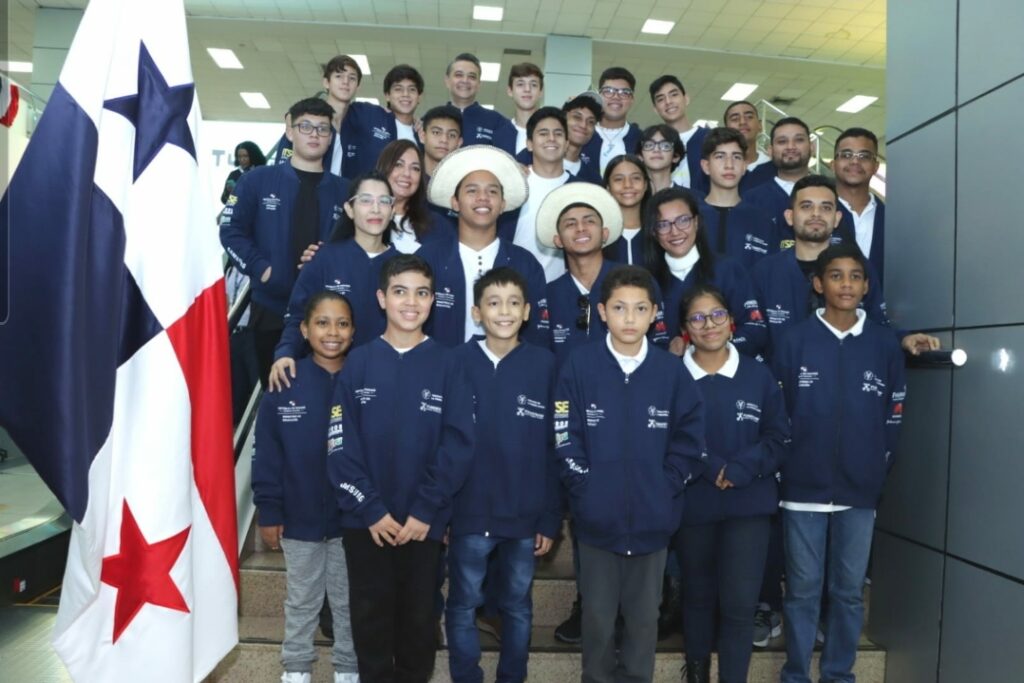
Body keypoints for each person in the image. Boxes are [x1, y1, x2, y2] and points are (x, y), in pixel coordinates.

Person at [554, 264, 706, 683]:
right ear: (603, 311)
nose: (629, 318)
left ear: (654, 314)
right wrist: (584, 487)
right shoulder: (579, 365)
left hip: (653, 521)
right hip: (596, 521)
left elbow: (690, 438)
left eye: (640, 309)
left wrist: (665, 485)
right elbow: (564, 433)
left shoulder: (670, 371)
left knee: (643, 620)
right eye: (619, 308)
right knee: (598, 619)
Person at [329, 254, 476, 682]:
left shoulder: (449, 364)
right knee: (370, 621)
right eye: (400, 292)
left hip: (422, 524)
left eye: (421, 293)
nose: (411, 302)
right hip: (366, 522)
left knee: (418, 623)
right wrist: (370, 509)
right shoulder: (357, 363)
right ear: (381, 298)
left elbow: (458, 444)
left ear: (433, 301)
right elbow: (339, 445)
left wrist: (426, 510)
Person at [772, 243, 907, 683]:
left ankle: (838, 674)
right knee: (802, 591)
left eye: (855, 276)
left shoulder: (884, 344)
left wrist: (876, 467)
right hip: (802, 490)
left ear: (867, 286)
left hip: (859, 490)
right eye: (835, 275)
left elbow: (893, 414)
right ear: (818, 284)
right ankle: (795, 674)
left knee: (848, 593)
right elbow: (778, 413)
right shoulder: (793, 340)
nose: (846, 284)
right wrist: (786, 467)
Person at [446, 267, 561, 683]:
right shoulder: (455, 362)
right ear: (476, 312)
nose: (504, 311)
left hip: (524, 515)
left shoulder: (545, 365)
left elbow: (555, 446)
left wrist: (550, 516)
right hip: (468, 512)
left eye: (514, 303)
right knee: (463, 603)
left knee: (517, 606)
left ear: (527, 311)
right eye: (493, 303)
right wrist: (442, 511)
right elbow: (442, 443)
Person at [673, 285, 789, 683]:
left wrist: (741, 467)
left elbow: (779, 437)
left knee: (739, 607)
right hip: (694, 503)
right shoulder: (673, 377)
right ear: (686, 328)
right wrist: (711, 465)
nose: (709, 324)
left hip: (748, 505)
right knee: (698, 598)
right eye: (697, 318)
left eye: (717, 315)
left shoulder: (758, 375)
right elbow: (667, 435)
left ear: (732, 321)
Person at [252, 290, 359, 683]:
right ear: (304, 329)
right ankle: (296, 668)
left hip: (353, 521)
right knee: (301, 600)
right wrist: (269, 510)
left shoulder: (363, 379)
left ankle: (348, 669)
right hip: (299, 519)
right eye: (322, 323)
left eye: (342, 324)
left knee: (348, 602)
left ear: (353, 331)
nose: (332, 332)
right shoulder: (284, 384)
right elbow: (268, 455)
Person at [220, 97, 349, 387]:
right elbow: (230, 231)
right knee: (276, 396)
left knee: (326, 395)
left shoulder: (344, 190)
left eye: (323, 128)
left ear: (331, 137)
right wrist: (261, 268)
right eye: (306, 126)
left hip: (327, 312)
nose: (314, 134)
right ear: (290, 131)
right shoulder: (257, 180)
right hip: (270, 308)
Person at [750, 175, 937, 361]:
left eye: (826, 207)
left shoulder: (860, 268)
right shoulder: (764, 272)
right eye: (806, 206)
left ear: (837, 218)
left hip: (846, 375)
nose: (816, 214)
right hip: (779, 378)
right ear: (789, 216)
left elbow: (878, 325)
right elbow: (753, 334)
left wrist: (904, 339)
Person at [269, 172, 399, 391]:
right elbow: (298, 315)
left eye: (384, 201)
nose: (376, 209)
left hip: (387, 380)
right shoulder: (323, 259)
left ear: (392, 210)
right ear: (349, 209)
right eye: (366, 200)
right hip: (329, 380)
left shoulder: (403, 267)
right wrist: (285, 352)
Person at [419, 145, 549, 347]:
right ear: (455, 202)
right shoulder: (428, 258)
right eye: (472, 190)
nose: (483, 197)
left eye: (492, 191)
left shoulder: (525, 264)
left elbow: (537, 336)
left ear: (503, 204)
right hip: (441, 365)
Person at [644, 187, 767, 357]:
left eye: (683, 220)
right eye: (663, 225)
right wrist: (667, 351)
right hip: (669, 371)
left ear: (696, 222)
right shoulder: (647, 281)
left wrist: (713, 348)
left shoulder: (728, 270)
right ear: (653, 232)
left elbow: (755, 329)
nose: (675, 231)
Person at [273, 55, 394, 179]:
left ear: (358, 86)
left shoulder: (358, 119)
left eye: (352, 78)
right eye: (338, 76)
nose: (345, 82)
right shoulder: (305, 122)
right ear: (326, 82)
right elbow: (282, 171)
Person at [696, 127, 777, 269]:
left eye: (736, 157)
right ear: (706, 166)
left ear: (744, 166)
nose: (729, 165)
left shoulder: (762, 221)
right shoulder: (690, 218)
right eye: (720, 156)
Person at [511, 106, 575, 282]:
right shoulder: (514, 184)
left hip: (560, 286)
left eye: (558, 133)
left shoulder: (579, 189)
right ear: (529, 143)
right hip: (514, 285)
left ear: (567, 144)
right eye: (543, 133)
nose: (551, 138)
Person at [376, 139, 452, 253]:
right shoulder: (364, 216)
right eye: (398, 165)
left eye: (415, 168)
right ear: (384, 167)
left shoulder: (437, 225)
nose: (407, 173)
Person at [834, 127, 886, 283]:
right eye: (846, 155)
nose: (855, 161)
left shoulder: (892, 219)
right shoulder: (816, 216)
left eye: (864, 156)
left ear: (876, 166)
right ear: (833, 164)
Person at [648, 75, 709, 191]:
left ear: (686, 99)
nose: (668, 102)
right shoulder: (652, 146)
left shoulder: (709, 138)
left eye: (674, 95)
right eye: (660, 99)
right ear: (655, 109)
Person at [583, 67, 642, 174]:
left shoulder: (641, 139)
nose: (616, 97)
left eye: (624, 92)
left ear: (632, 99)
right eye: (608, 91)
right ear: (599, 95)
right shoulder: (583, 134)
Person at [445, 53, 509, 146]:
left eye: (472, 77)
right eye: (459, 75)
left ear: (479, 84)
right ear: (447, 81)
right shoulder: (431, 119)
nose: (465, 80)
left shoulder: (497, 122)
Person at [601, 154, 652, 266]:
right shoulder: (599, 234)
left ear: (645, 185)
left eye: (636, 178)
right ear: (608, 188)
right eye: (618, 179)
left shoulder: (659, 230)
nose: (628, 185)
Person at [722, 101, 775, 193]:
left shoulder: (773, 167)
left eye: (749, 117)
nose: (742, 122)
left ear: (760, 125)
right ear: (726, 129)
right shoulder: (717, 168)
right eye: (735, 119)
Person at [494, 63, 544, 156]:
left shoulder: (551, 135)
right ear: (510, 91)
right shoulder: (498, 135)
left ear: (541, 92)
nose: (527, 89)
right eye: (520, 84)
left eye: (533, 85)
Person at [636, 124, 687, 193]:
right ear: (640, 156)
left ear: (676, 156)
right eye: (649, 145)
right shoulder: (632, 197)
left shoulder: (692, 197)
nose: (656, 150)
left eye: (665, 146)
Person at [419, 105, 464, 180]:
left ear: (459, 143)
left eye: (452, 135)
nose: (444, 140)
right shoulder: (409, 177)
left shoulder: (463, 182)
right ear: (422, 136)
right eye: (436, 132)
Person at [382, 64, 424, 143]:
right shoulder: (373, 122)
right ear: (387, 96)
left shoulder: (423, 135)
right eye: (398, 89)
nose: (405, 94)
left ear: (419, 97)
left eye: (412, 89)